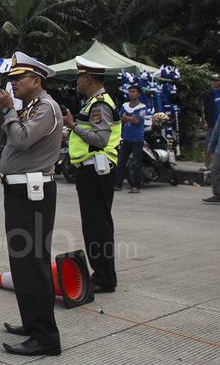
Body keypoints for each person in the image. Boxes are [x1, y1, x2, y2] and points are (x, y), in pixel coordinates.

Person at [0, 51, 63, 357]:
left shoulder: (46, 108)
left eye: (19, 79)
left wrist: (9, 109)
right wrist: (3, 112)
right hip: (21, 192)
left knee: (32, 264)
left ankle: (45, 337)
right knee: (23, 263)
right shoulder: (31, 107)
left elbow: (21, 140)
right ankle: (34, 324)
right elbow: (9, 138)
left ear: (36, 80)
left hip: (33, 194)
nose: (13, 84)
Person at [62, 56, 122, 295]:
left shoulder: (100, 105)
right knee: (95, 224)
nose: (77, 82)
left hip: (96, 171)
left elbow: (100, 139)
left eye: (79, 77)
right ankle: (102, 274)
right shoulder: (92, 103)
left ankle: (104, 278)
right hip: (92, 171)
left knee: (97, 226)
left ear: (88, 78)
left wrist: (72, 126)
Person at [118, 85, 150, 194]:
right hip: (126, 137)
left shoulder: (142, 107)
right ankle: (118, 184)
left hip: (137, 138)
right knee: (121, 162)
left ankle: (136, 186)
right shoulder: (125, 105)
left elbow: (137, 121)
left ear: (139, 94)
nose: (131, 93)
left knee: (137, 163)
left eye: (133, 92)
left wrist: (127, 118)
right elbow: (120, 119)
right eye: (130, 91)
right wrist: (129, 118)